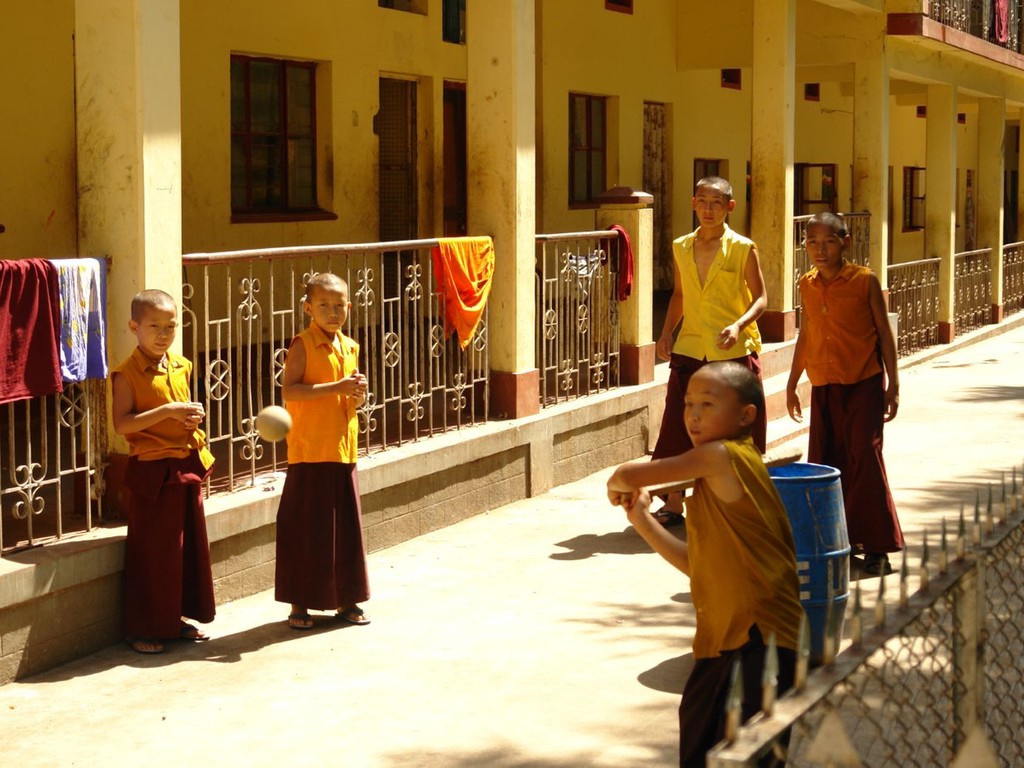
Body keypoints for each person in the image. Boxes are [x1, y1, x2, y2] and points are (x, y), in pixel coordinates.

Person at [607, 362, 803, 767]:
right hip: (721, 640)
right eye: (688, 404)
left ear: (746, 416)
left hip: (759, 639)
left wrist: (620, 484)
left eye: (708, 404)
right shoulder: (713, 477)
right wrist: (641, 519)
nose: (693, 416)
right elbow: (699, 567)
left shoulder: (722, 457)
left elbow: (626, 474)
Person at [786, 212, 904, 576]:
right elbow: (806, 334)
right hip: (824, 384)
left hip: (863, 382)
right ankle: (838, 541)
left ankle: (877, 546)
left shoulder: (864, 281)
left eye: (830, 241)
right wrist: (792, 383)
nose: (820, 250)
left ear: (846, 243)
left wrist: (893, 384)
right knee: (827, 462)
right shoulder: (806, 284)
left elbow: (884, 333)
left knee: (865, 458)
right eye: (812, 242)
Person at [652, 176, 768, 526]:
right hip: (691, 347)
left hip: (731, 349)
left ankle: (739, 499)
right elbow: (679, 294)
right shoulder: (681, 246)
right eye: (702, 201)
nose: (708, 209)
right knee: (677, 422)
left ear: (730, 207)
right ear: (692, 203)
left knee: (736, 427)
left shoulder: (743, 247)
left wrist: (738, 324)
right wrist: (665, 333)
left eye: (716, 202)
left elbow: (762, 297)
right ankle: (674, 501)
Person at [111, 289, 216, 654]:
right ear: (134, 327)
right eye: (154, 326)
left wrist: (189, 416)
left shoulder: (181, 364)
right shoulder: (126, 374)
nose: (163, 334)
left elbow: (178, 412)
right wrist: (168, 412)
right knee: (153, 552)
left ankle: (176, 619)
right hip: (152, 471)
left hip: (184, 464)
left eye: (170, 326)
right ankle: (143, 627)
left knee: (183, 551)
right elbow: (122, 425)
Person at [275, 272, 371, 629]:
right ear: (307, 308)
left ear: (348, 306)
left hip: (343, 449)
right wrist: (338, 387)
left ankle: (346, 601)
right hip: (310, 450)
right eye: (323, 305)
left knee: (344, 531)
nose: (332, 312)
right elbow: (291, 391)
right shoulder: (302, 344)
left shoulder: (349, 346)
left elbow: (350, 397)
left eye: (338, 305)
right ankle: (299, 605)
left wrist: (356, 395)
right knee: (307, 530)